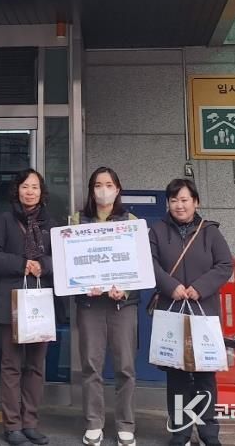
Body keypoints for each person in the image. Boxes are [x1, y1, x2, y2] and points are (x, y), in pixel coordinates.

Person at [148, 178, 233, 446]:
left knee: (205, 375)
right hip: (172, 310)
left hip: (202, 311)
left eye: (184, 200)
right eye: (174, 200)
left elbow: (225, 265)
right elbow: (149, 263)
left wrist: (200, 287)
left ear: (195, 202)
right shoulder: (157, 230)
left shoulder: (210, 232)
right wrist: (170, 285)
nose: (179, 205)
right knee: (177, 375)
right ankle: (180, 432)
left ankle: (209, 433)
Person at [0, 169, 55, 446]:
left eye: (35, 187)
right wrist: (22, 264)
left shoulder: (50, 222)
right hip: (10, 300)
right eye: (25, 186)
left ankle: (30, 423)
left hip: (40, 300)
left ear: (41, 191)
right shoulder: (2, 219)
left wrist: (43, 265)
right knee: (11, 365)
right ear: (17, 190)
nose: (30, 191)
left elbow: (60, 257)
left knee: (36, 366)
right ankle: (12, 425)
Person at [73, 167, 139, 446]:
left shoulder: (130, 221)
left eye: (109, 184)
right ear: (91, 190)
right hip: (91, 304)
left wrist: (125, 288)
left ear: (117, 189)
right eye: (98, 185)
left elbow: (140, 263)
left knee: (125, 366)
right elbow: (70, 263)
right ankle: (93, 423)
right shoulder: (77, 220)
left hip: (122, 305)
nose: (103, 190)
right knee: (91, 365)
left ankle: (125, 423)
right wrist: (82, 283)